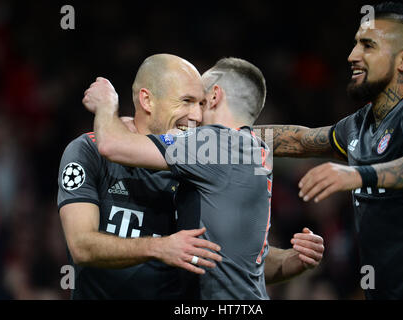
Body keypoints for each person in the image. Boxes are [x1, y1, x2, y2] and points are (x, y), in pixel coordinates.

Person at [61, 54, 324, 299]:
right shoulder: (88, 150)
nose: (197, 116)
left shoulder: (201, 161)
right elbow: (81, 245)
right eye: (186, 101)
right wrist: (158, 248)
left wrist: (292, 261)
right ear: (147, 100)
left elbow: (223, 263)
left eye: (201, 103)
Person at [256, 2, 403, 299]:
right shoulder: (359, 125)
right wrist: (221, 136)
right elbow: (300, 140)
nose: (352, 56)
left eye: (367, 46)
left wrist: (358, 175)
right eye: (356, 44)